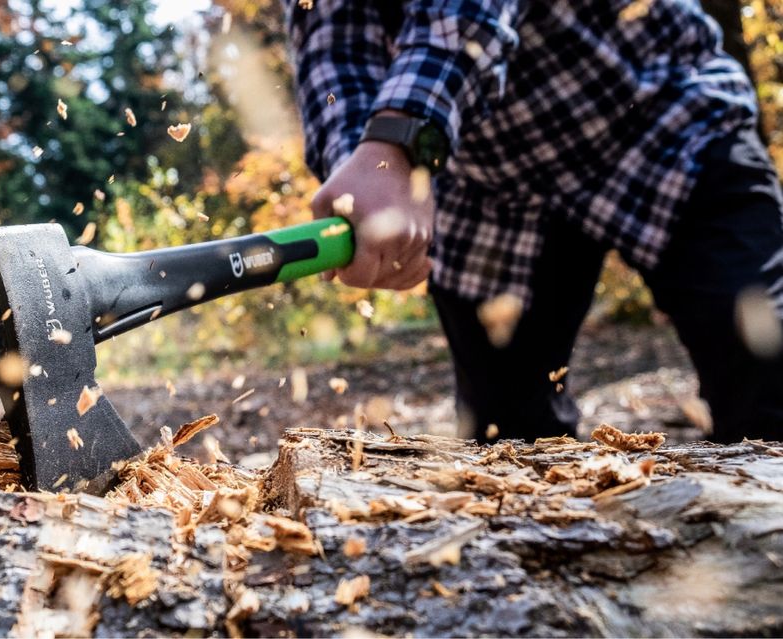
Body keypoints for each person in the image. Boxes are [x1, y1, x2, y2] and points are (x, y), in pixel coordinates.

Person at [285, 0, 783, 443]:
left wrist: (399, 147)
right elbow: (335, 51)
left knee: (765, 360)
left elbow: (469, 12)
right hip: (493, 191)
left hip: (663, 116)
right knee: (507, 439)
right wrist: (365, 170)